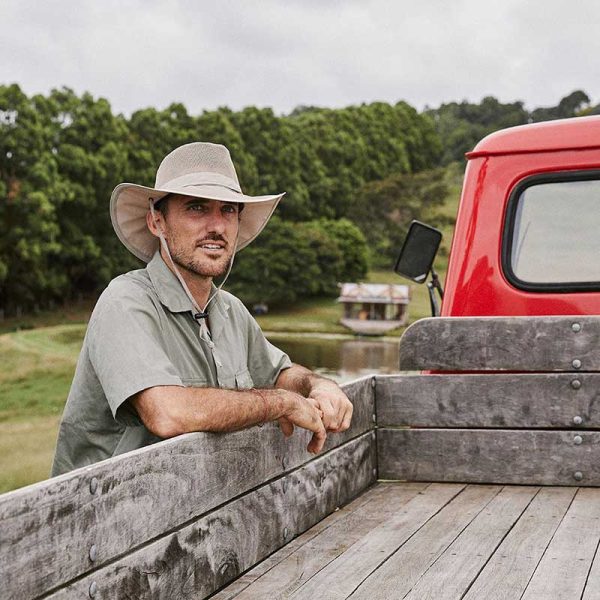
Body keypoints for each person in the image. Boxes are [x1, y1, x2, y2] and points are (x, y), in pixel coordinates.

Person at [51, 142, 353, 476]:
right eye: (197, 208)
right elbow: (167, 413)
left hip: (200, 511)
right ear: (157, 221)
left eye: (228, 210)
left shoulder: (229, 310)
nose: (217, 226)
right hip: (107, 517)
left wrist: (318, 385)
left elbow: (281, 374)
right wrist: (278, 403)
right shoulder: (125, 301)